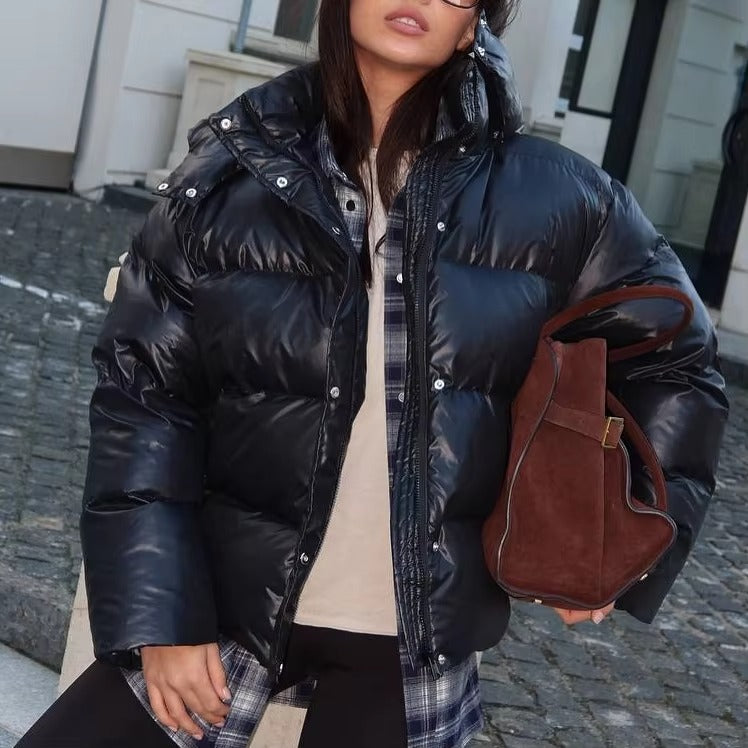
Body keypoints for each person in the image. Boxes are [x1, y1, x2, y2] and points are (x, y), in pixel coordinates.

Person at [17, 0, 729, 746]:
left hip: (413, 641)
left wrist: (623, 540)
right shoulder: (231, 170)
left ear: (477, 22)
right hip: (226, 600)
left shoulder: (560, 197)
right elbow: (145, 393)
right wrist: (160, 611)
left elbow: (681, 361)